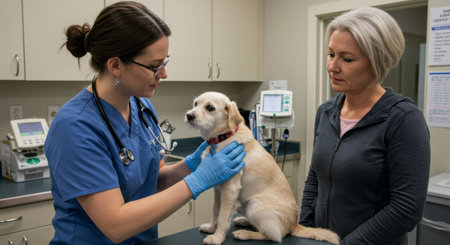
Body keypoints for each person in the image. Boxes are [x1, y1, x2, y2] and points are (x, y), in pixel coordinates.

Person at [44, 1, 246, 244]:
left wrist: (190, 165)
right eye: (154, 66)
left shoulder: (141, 107)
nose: (163, 74)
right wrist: (198, 180)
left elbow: (151, 180)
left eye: (164, 62)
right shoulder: (74, 127)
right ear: (116, 65)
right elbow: (115, 225)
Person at [299, 7, 430, 245]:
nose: (332, 66)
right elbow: (315, 180)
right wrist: (305, 233)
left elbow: (406, 209)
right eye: (330, 54)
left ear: (378, 62)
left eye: (346, 58)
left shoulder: (403, 119)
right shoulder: (326, 112)